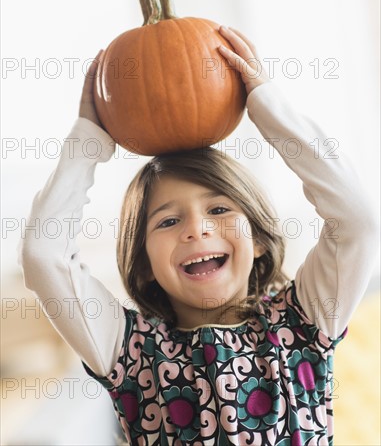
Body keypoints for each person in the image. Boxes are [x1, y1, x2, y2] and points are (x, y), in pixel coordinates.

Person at [19, 26, 379, 445]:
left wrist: (266, 107)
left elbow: (359, 223)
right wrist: (89, 139)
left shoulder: (303, 322)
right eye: (168, 222)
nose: (197, 229)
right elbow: (44, 254)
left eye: (219, 210)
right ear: (145, 265)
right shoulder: (127, 348)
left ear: (258, 239)